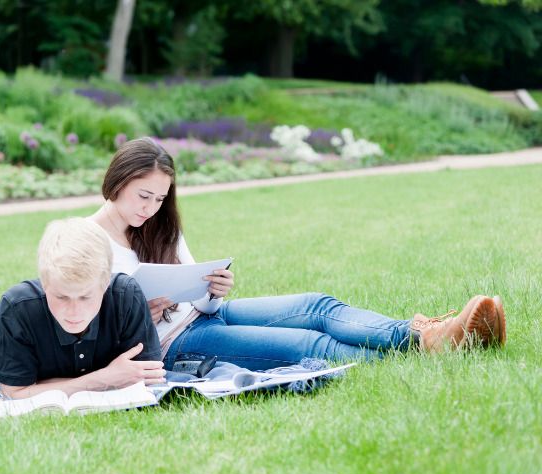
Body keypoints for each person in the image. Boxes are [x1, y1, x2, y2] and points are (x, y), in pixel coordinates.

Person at [87, 137, 507, 372]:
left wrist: (213, 289)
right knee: (309, 343)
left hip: (204, 316)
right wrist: (144, 314)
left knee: (316, 305)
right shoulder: (86, 242)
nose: (151, 208)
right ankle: (435, 350)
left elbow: (196, 295)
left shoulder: (159, 224)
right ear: (118, 181)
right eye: (144, 196)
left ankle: (427, 336)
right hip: (173, 343)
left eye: (160, 198)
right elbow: (81, 330)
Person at [0, 217, 164, 399]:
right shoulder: (16, 308)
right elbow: (14, 393)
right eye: (62, 297)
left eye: (85, 297)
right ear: (44, 283)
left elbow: (148, 378)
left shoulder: (125, 295)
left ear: (105, 283)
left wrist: (43, 385)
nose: (74, 312)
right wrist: (104, 378)